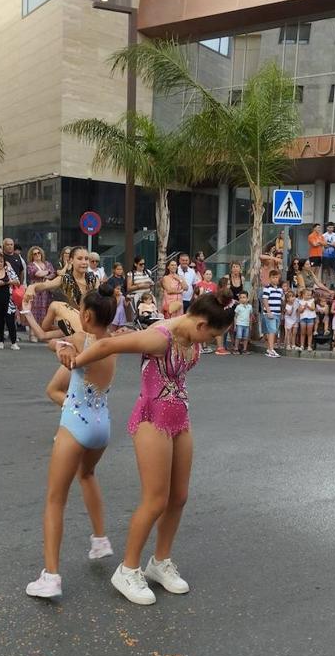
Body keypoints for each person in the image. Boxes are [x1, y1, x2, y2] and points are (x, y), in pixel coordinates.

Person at [69, 290, 236, 605]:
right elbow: (107, 345)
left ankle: (160, 562)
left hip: (180, 417)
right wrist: (75, 361)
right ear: (201, 325)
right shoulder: (160, 338)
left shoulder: (191, 334)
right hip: (151, 419)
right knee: (156, 499)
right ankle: (127, 569)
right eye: (213, 335)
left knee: (179, 497)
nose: (212, 341)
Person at [25, 286, 121, 600]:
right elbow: (61, 346)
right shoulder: (113, 343)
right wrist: (62, 344)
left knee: (55, 499)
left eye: (80, 309)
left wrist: (61, 343)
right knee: (87, 474)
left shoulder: (81, 339)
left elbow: (51, 341)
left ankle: (51, 576)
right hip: (102, 426)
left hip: (76, 424)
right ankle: (100, 539)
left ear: (87, 315)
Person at [25, 246, 56, 340]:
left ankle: (44, 334)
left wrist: (46, 274)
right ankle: (33, 334)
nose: (37, 255)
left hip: (46, 291)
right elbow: (37, 274)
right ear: (32, 256)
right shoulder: (30, 265)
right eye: (35, 254)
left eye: (38, 253)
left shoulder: (47, 263)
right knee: (34, 312)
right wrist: (48, 272)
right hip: (36, 290)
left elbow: (53, 274)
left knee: (46, 312)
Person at [261, 272, 284, 357]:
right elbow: (265, 300)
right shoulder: (267, 288)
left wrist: (282, 312)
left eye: (276, 277)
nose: (275, 279)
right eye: (273, 277)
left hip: (277, 313)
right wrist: (269, 312)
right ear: (270, 278)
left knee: (273, 331)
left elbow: (281, 301)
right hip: (270, 313)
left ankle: (269, 348)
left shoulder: (280, 289)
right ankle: (271, 349)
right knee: (272, 331)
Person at [298, 287, 317, 351]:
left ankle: (309, 346)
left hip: (310, 318)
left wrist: (308, 306)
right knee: (302, 332)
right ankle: (302, 345)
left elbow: (313, 308)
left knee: (309, 333)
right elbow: (300, 311)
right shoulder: (301, 301)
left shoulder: (312, 301)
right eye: (307, 295)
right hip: (303, 318)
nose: (309, 296)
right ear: (303, 295)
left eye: (310, 295)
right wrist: (303, 308)